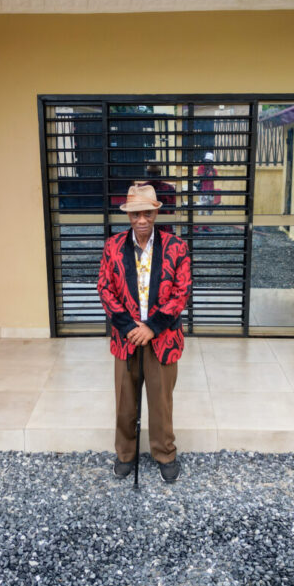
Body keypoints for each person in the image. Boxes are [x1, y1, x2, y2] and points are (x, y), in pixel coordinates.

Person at [96, 181, 192, 484]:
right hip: (126, 338)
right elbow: (104, 288)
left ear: (155, 213)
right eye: (135, 214)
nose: (141, 220)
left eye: (147, 214)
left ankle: (165, 453)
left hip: (162, 338)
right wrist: (128, 327)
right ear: (128, 215)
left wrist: (152, 327)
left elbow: (182, 291)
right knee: (126, 401)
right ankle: (125, 453)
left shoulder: (177, 247)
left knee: (161, 401)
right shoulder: (113, 246)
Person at [194, 152, 220, 232]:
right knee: (201, 209)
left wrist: (212, 171)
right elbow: (201, 176)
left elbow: (216, 178)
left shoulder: (214, 169)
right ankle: (196, 226)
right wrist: (207, 171)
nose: (208, 162)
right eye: (207, 160)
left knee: (210, 209)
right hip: (203, 190)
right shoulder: (202, 167)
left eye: (209, 161)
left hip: (211, 190)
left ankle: (205, 226)